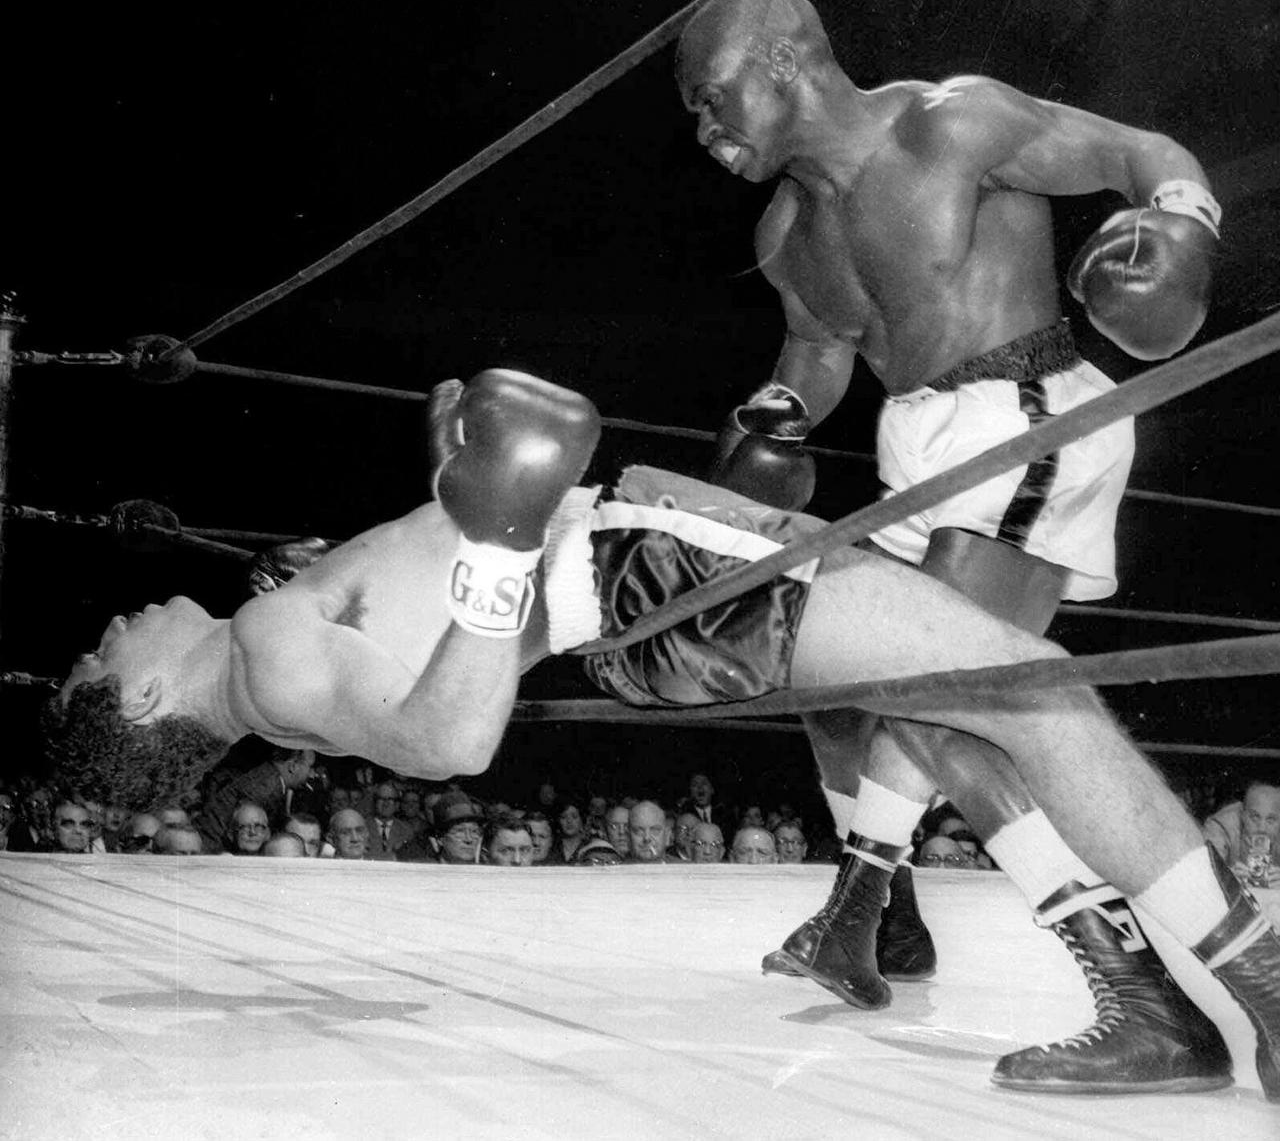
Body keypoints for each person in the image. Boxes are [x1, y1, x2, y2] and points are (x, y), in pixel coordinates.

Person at [46, 368, 1279, 1101]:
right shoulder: (268, 656)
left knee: (945, 697)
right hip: (641, 571)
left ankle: (1134, 999)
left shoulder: (274, 644)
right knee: (1029, 679)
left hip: (636, 577)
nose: (109, 621)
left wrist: (454, 483)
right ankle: (1251, 978)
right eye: (102, 658)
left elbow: (427, 652)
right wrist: (499, 532)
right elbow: (451, 739)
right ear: (147, 704)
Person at [676, 0, 1227, 1092]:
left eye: (712, 94)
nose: (705, 126)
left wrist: (1184, 221)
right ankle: (879, 925)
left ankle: (1148, 1003)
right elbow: (818, 355)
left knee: (935, 696)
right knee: (825, 680)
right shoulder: (785, 231)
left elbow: (1136, 150)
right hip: (912, 457)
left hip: (1021, 416)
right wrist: (774, 414)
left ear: (782, 58)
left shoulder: (949, 123)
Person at [1203, 772, 1280, 889]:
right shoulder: (1221, 826)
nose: (1262, 828)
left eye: (1271, 820)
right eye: (1254, 817)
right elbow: (1201, 873)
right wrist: (1225, 878)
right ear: (1243, 815)